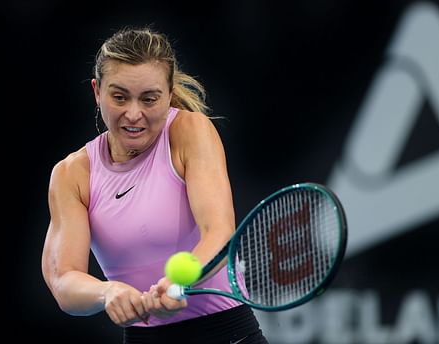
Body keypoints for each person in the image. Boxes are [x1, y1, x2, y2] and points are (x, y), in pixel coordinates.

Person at [41, 26, 269, 344]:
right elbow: (63, 280)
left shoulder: (190, 131)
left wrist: (176, 284)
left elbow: (218, 232)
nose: (134, 114)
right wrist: (107, 292)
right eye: (119, 97)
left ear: (169, 93)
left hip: (226, 333)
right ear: (97, 91)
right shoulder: (72, 174)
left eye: (149, 99)